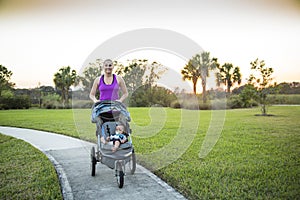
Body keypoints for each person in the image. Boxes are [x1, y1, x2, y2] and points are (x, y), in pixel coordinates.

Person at [89, 59, 129, 151]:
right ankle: (104, 143)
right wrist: (95, 101)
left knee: (120, 126)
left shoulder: (119, 79)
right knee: (101, 126)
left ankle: (119, 143)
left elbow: (125, 93)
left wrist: (120, 100)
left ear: (113, 67)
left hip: (116, 109)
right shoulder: (98, 80)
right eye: (106, 65)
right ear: (103, 67)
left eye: (110, 65)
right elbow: (91, 94)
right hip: (103, 109)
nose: (108, 67)